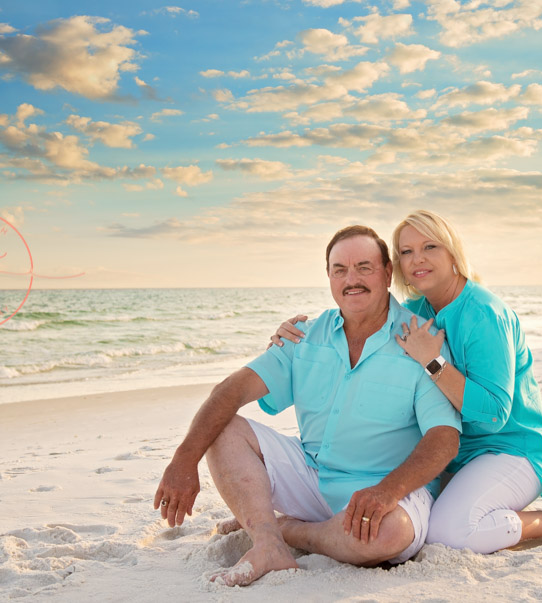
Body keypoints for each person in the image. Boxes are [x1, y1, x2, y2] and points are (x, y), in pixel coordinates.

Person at [271, 211, 542, 554]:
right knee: (413, 524)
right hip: (453, 455)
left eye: (430, 246)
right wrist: (293, 337)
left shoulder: (485, 313)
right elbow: (357, 312)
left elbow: (493, 416)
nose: (418, 259)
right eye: (406, 252)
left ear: (452, 253)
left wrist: (434, 362)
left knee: (451, 535)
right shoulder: (416, 310)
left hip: (509, 449)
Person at [155, 225, 461, 586]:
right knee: (223, 427)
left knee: (389, 535)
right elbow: (230, 391)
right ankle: (269, 544)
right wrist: (183, 460)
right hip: (313, 475)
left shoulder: (420, 339)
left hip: (386, 488)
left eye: (365, 267)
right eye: (340, 270)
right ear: (329, 276)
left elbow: (444, 437)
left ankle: (291, 530)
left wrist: (388, 490)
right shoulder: (304, 336)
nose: (352, 280)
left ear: (387, 273)